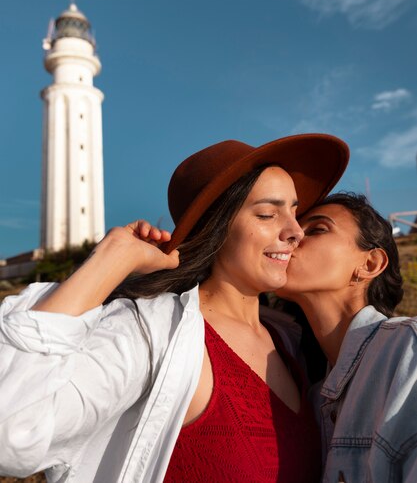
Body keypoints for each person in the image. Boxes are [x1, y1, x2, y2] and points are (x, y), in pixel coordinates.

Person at [0, 134, 349, 483]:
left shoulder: (291, 342)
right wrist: (112, 259)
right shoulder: (152, 334)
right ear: (217, 227)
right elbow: (10, 431)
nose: (294, 232)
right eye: (268, 214)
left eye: (295, 212)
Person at [279, 192, 417, 483]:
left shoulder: (408, 349)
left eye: (316, 229)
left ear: (370, 264)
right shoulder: (306, 395)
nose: (291, 235)